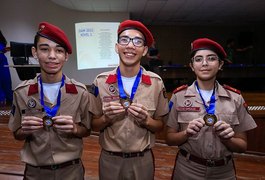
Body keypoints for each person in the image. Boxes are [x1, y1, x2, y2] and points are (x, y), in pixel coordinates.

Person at [8, 22, 91, 180]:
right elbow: (17, 134)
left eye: (59, 50)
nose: (52, 56)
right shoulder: (22, 92)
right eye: (45, 49)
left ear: (66, 56)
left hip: (71, 172)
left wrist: (74, 128)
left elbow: (86, 130)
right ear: (35, 52)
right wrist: (25, 130)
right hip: (35, 173)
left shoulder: (80, 92)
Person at [166, 38, 257, 180]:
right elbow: (170, 139)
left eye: (211, 58)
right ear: (191, 66)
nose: (204, 63)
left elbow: (242, 146)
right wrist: (186, 133)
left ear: (220, 64)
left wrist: (227, 139)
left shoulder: (235, 98)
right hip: (188, 169)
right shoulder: (179, 96)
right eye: (198, 59)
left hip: (223, 172)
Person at [89, 20, 169, 180]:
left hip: (142, 161)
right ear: (116, 46)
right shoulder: (100, 82)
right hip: (110, 160)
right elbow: (93, 125)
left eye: (137, 41)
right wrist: (106, 118)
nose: (130, 46)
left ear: (145, 50)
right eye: (124, 40)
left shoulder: (156, 83)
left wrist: (146, 120)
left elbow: (160, 125)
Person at [0, 30, 13, 106]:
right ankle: (1, 100)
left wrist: (6, 49)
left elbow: (2, 49)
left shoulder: (1, 40)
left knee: (6, 80)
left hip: (2, 60)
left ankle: (9, 100)